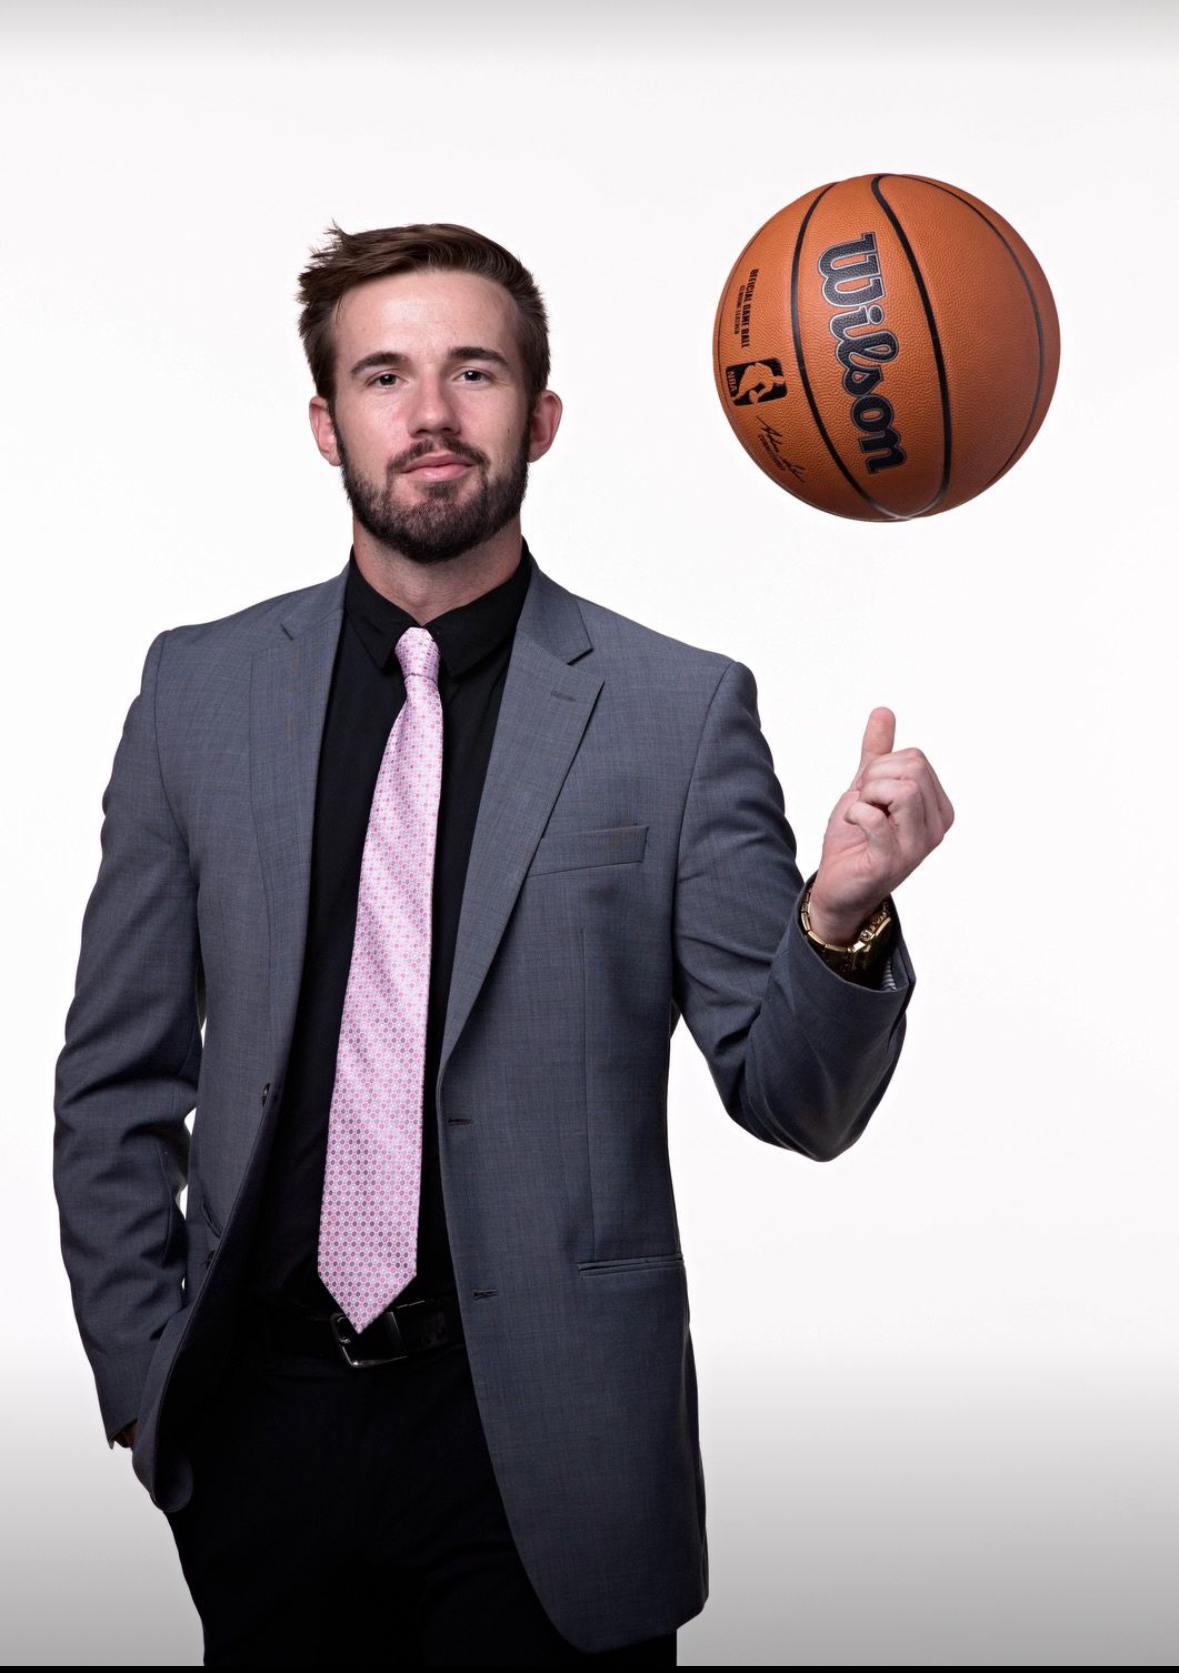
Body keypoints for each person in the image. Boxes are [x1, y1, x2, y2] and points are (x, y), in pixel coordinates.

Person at [53, 221, 952, 1666]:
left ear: (537, 415)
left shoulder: (674, 712)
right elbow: (116, 1076)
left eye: (472, 372)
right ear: (323, 419)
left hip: (553, 1448)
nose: (428, 415)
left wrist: (837, 918)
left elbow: (794, 1094)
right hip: (265, 1429)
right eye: (383, 376)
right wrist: (144, 1382)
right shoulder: (198, 693)